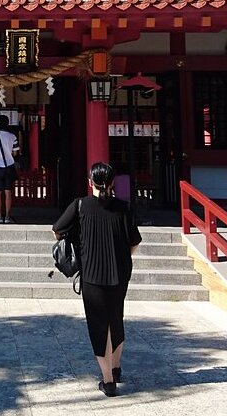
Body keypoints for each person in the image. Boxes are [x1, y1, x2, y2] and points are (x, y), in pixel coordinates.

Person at [52, 162, 142, 397]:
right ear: (112, 183)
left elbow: (57, 229)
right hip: (121, 271)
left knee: (98, 323)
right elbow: (135, 242)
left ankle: (108, 380)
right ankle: (116, 367)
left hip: (92, 272)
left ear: (90, 181)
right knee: (116, 316)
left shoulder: (80, 205)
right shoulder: (124, 207)